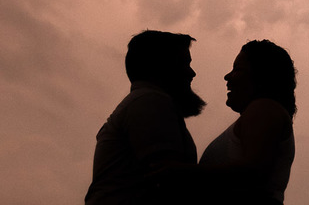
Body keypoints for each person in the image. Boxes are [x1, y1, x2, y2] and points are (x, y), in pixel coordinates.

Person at [86, 30, 206, 205]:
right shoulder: (150, 101)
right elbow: (171, 180)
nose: (191, 73)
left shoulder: (145, 102)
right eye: (184, 63)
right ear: (161, 66)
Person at [198, 40, 297, 205]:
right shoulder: (264, 111)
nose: (227, 76)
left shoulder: (265, 108)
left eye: (237, 69)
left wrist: (180, 172)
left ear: (261, 77)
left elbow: (253, 173)